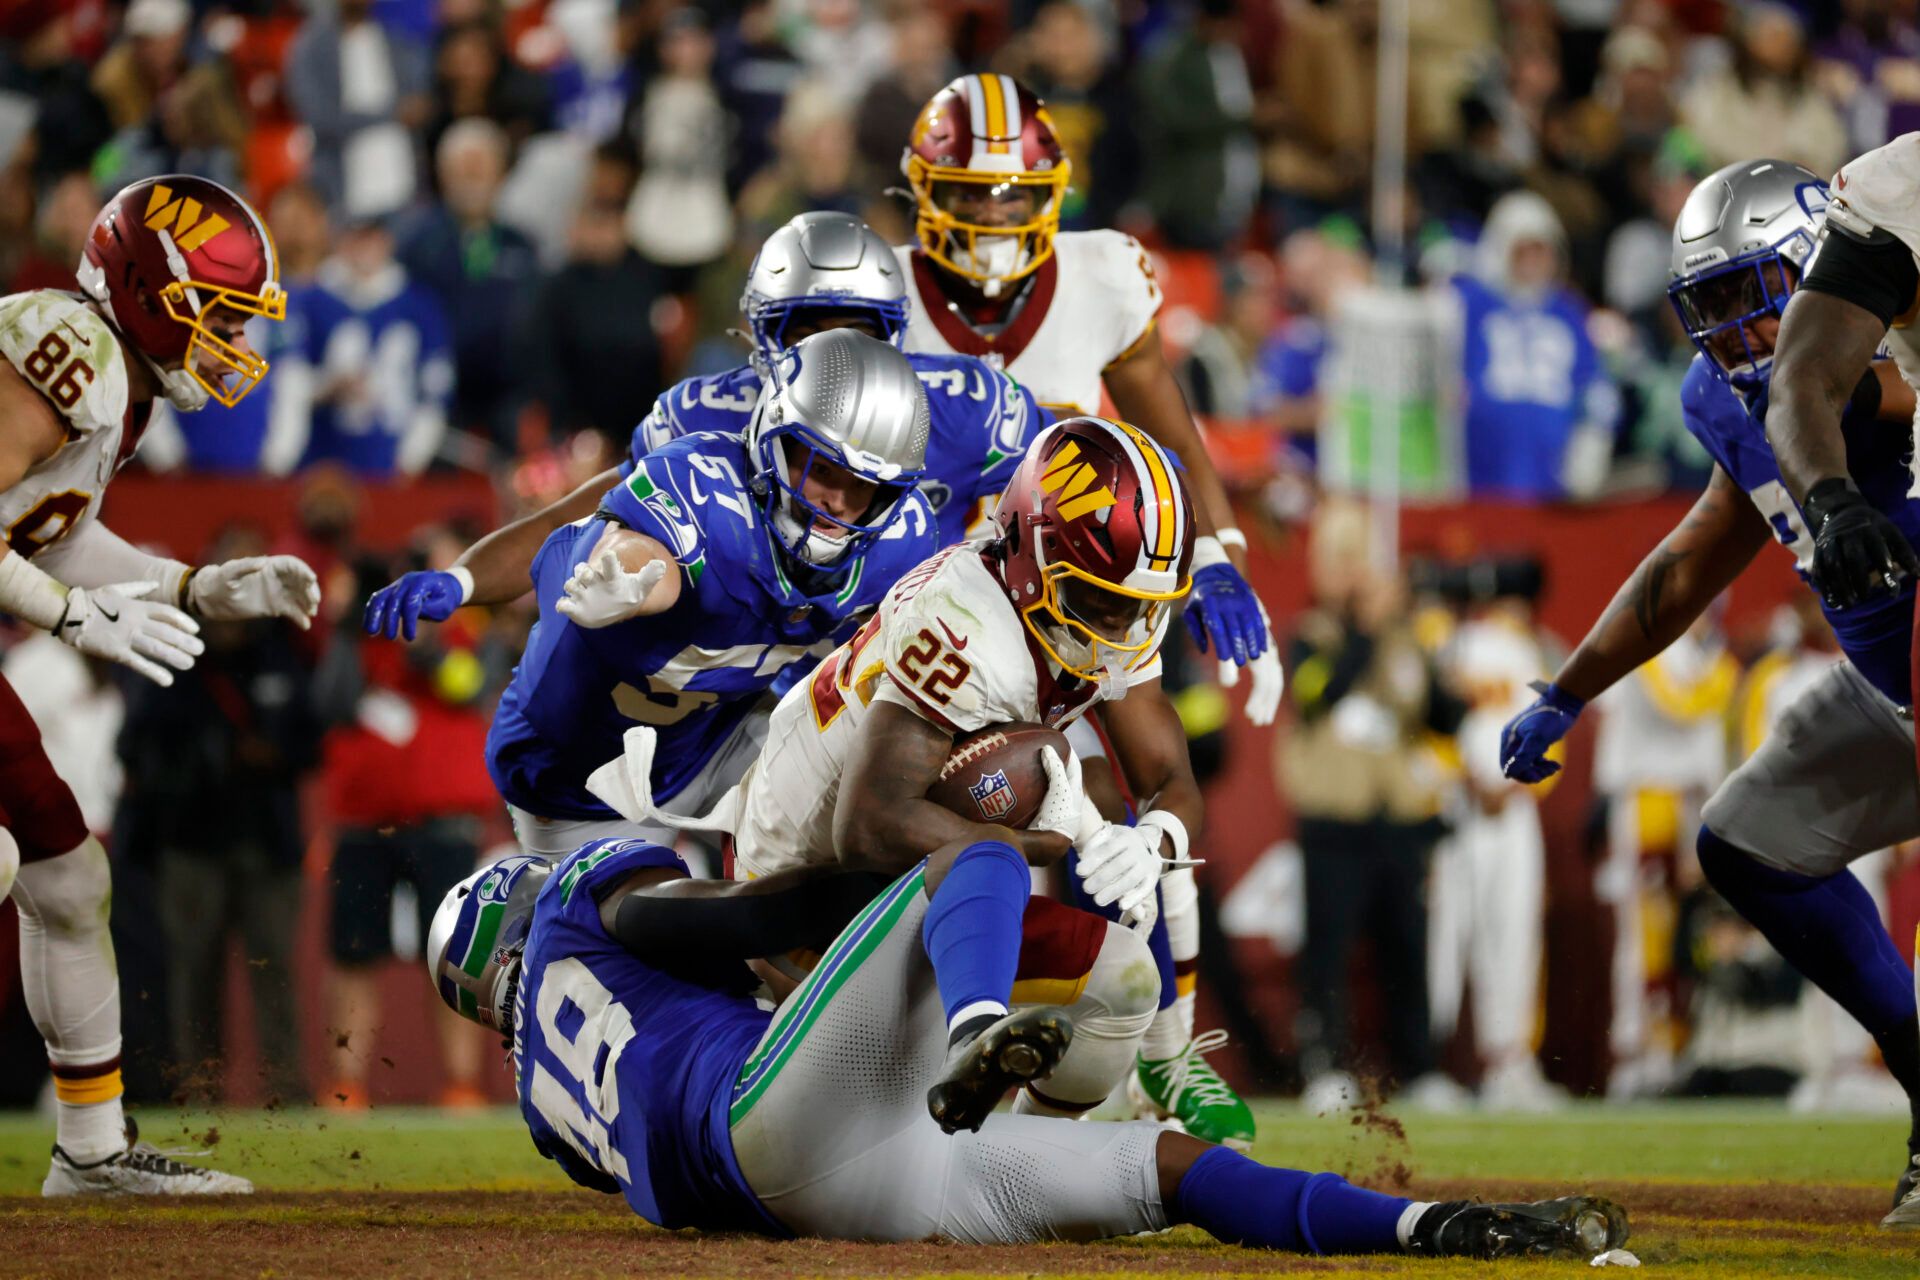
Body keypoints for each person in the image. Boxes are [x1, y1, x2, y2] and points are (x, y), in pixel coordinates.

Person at [423, 835, 1631, 1259]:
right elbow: (726, 919)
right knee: (971, 862)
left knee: (1154, 1168)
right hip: (773, 1102)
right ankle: (978, 1024)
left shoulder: (544, 1108)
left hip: (807, 1188)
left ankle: (1437, 1230)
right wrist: (870, 883)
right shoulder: (590, 903)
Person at [591, 417, 1253, 1150]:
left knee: (1126, 983)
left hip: (916, 869)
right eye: (1102, 602)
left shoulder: (1114, 605)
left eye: (1140, 608)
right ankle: (942, 1044)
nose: (1123, 629)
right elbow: (868, 823)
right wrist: (1049, 840)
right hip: (806, 896)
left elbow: (1167, 776)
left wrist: (1154, 836)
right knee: (867, 1148)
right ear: (1033, 552)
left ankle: (1042, 1152)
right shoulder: (968, 623)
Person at [1497, 159, 1920, 1226]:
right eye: (1713, 304)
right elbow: (1691, 558)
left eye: (1753, 293)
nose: (1736, 330)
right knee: (1748, 840)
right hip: (1891, 692)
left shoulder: (1898, 353)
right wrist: (1567, 686)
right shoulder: (1725, 402)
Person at [0, 174, 321, 1194]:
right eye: (216, 313)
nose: (228, 339)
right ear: (147, 288)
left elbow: (61, 533)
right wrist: (67, 615)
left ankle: (91, 1150)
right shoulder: (69, 348)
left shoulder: (112, 382)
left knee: (65, 872)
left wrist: (192, 584)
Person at [363, 212, 1044, 617]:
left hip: (906, 659)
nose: (835, 360)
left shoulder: (965, 406)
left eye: (856, 335)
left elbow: (1077, 471)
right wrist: (465, 577)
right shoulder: (704, 415)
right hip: (757, 677)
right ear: (762, 336)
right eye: (812, 335)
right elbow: (586, 514)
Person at [890, 74, 1280, 724]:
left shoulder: (1100, 278)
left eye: (1014, 198)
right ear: (924, 185)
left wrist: (1219, 560)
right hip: (911, 606)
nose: (992, 215)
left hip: (1065, 612)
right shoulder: (879, 292)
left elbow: (1172, 441)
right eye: (972, 194)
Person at [484, 328, 939, 859]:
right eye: (822, 468)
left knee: (856, 838)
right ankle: (497, 916)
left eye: (864, 486)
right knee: (628, 928)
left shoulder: (900, 536)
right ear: (774, 437)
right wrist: (626, 583)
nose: (838, 501)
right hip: (587, 772)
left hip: (721, 737)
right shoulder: (700, 479)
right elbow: (649, 555)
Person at [302, 213, 454, 476]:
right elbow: (287, 377)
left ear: (387, 241)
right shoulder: (315, 299)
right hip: (324, 458)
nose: (364, 248)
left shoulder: (419, 305)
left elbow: (435, 386)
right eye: (356, 238)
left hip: (391, 453)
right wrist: (327, 387)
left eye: (371, 237)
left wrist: (410, 459)